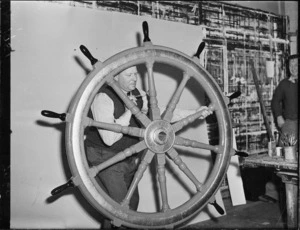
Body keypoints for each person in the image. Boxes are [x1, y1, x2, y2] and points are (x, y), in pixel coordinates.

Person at [84, 66, 212, 229]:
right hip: (104, 156)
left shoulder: (137, 94)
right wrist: (131, 111)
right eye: (128, 74)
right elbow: (109, 139)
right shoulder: (102, 97)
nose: (134, 78)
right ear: (115, 77)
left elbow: (162, 112)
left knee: (128, 204)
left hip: (128, 157)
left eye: (135, 74)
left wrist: (194, 113)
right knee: (123, 209)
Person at [259, 54, 298, 203]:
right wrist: (279, 117)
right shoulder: (284, 84)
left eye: (297, 64)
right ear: (288, 67)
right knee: (285, 159)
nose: (294, 67)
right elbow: (275, 102)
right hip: (290, 124)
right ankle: (275, 193)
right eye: (291, 65)